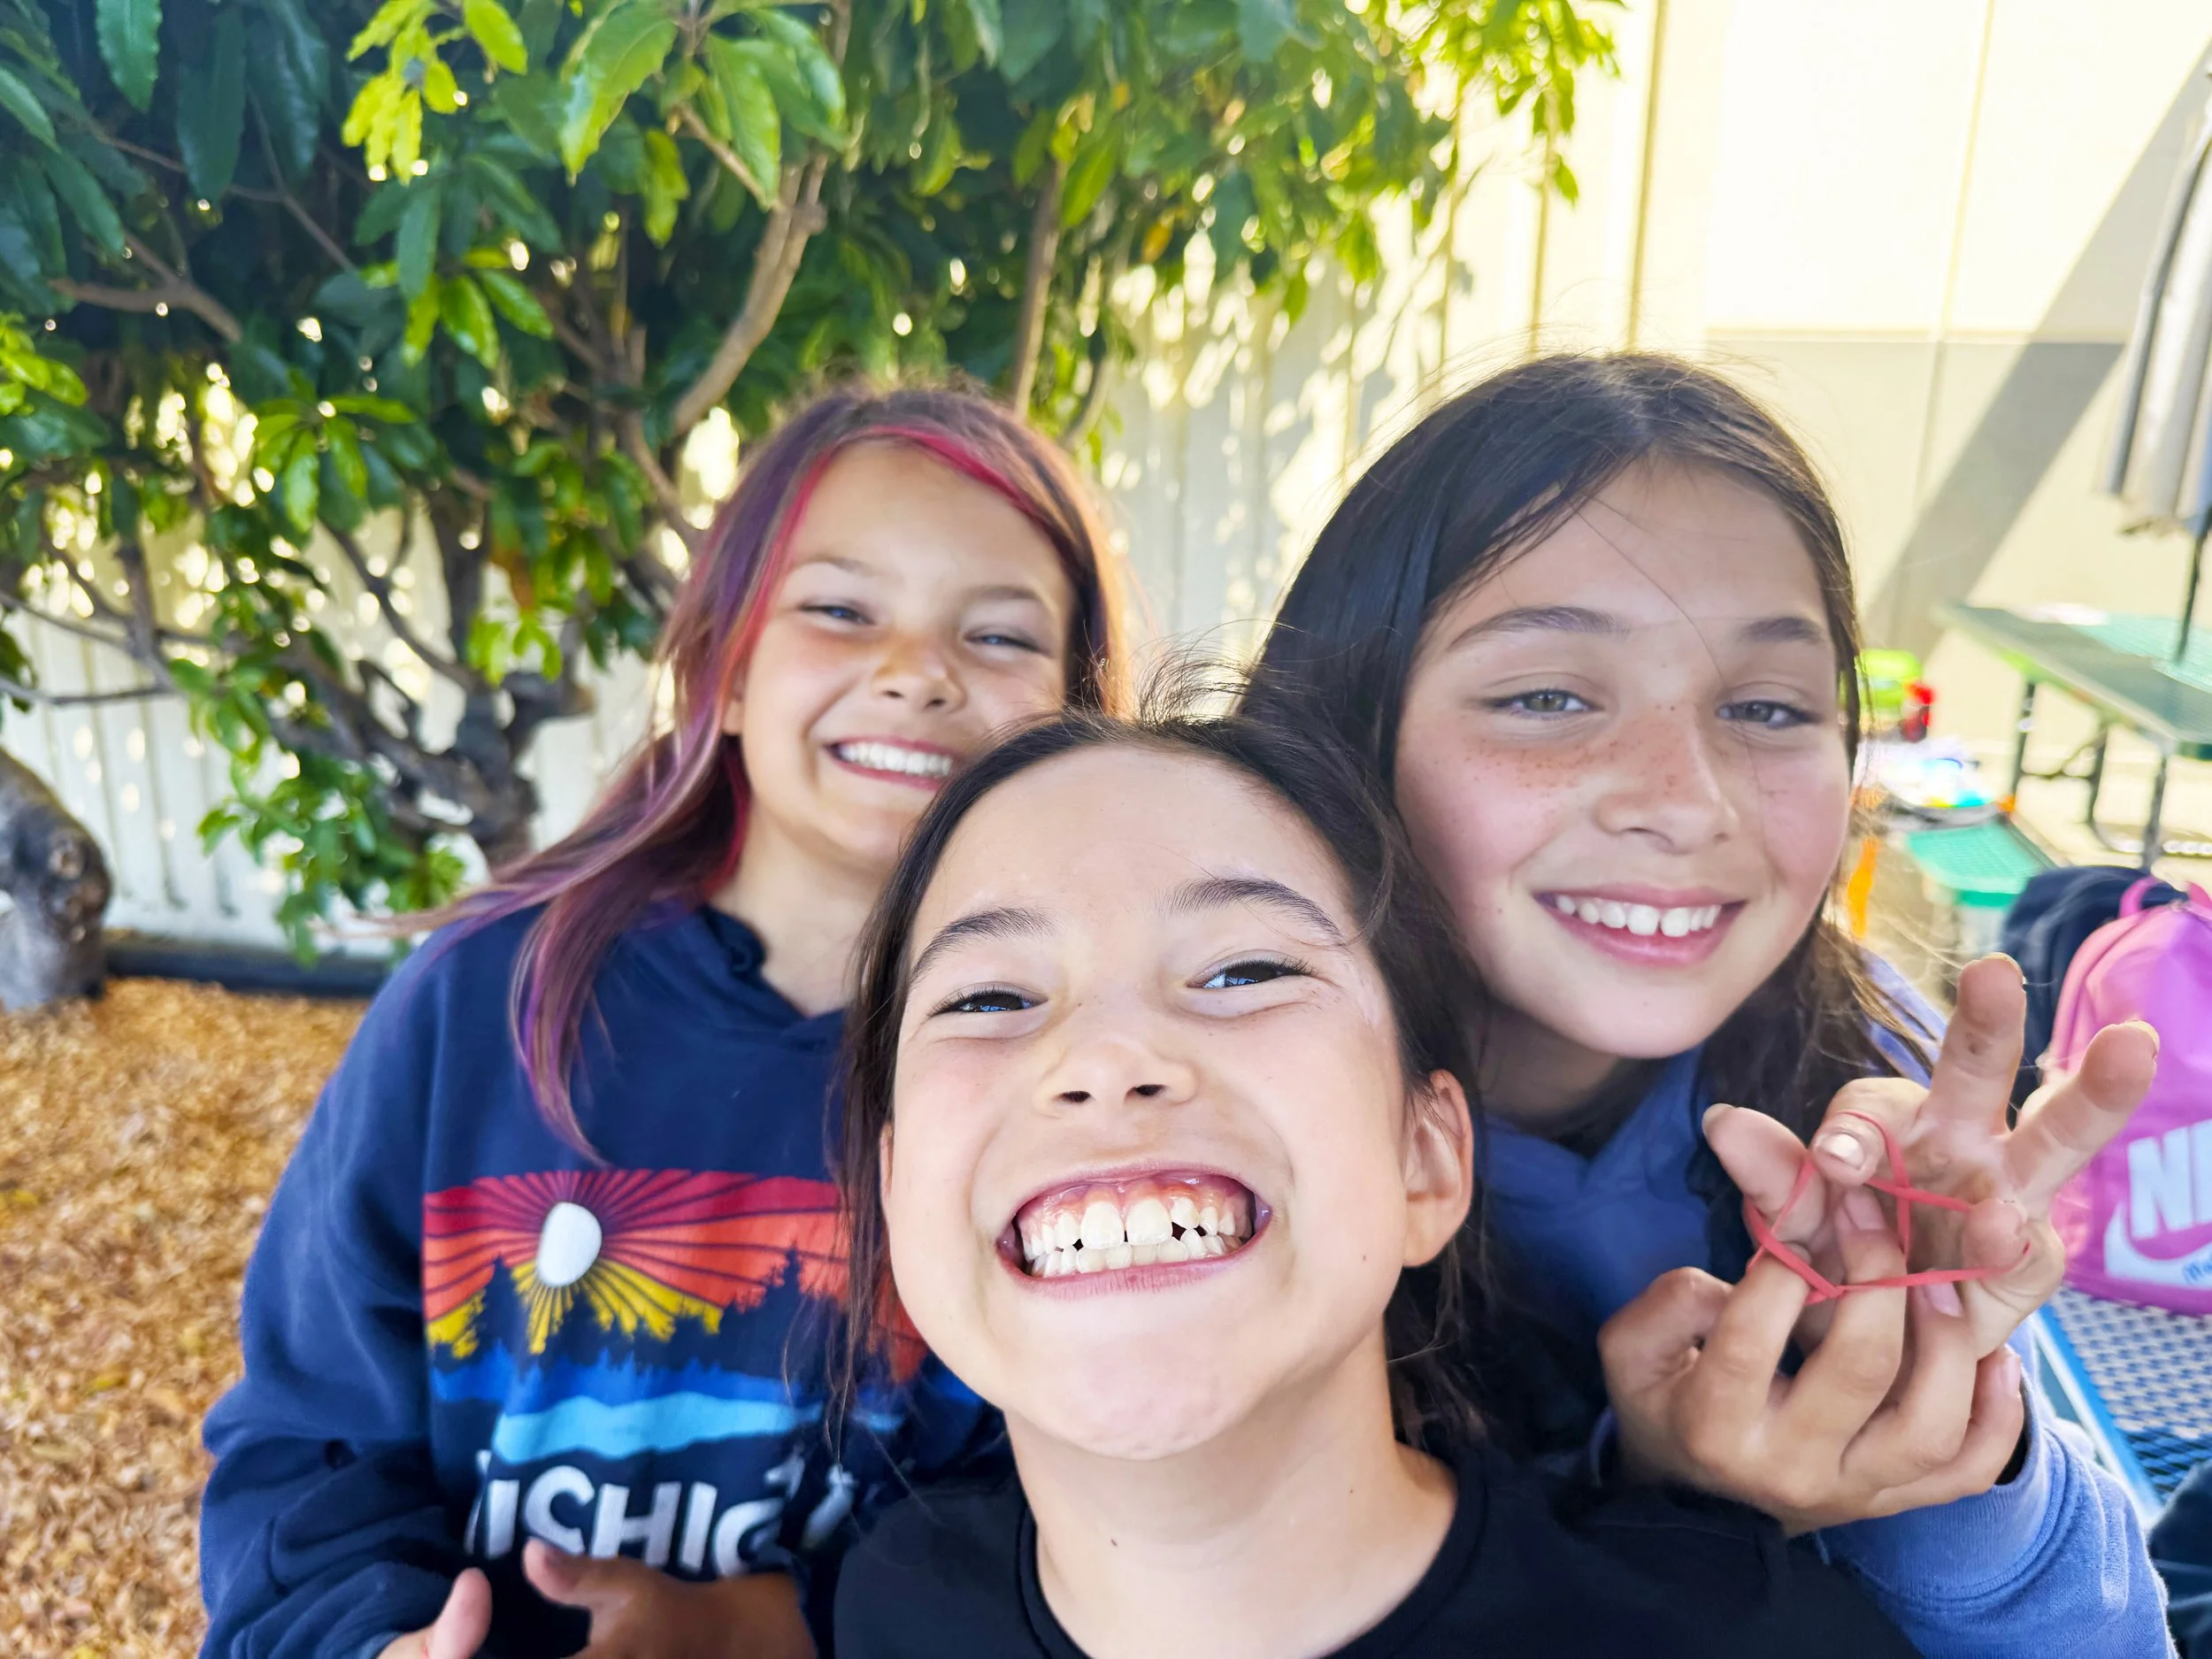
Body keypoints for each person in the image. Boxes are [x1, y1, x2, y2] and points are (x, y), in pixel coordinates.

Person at [1244, 351, 2170, 1655]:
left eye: (1766, 705)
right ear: (1345, 730)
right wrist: (1673, 1512)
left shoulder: (1872, 1094)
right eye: (1550, 695)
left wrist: (1947, 1451)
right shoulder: (1214, 1148)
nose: (1686, 798)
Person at [197, 381, 1125, 1659]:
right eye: (842, 609)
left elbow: (1089, 1494)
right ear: (722, 672)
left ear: (1080, 715)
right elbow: (308, 1437)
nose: (916, 673)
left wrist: (776, 1622)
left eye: (1002, 636)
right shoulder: (487, 999)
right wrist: (371, 1636)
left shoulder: (1088, 1074)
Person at [829, 703, 1931, 1659]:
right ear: (893, 1184)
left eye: (1244, 970)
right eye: (984, 999)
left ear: (1428, 1158)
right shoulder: (887, 1610)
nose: (1105, 1061)